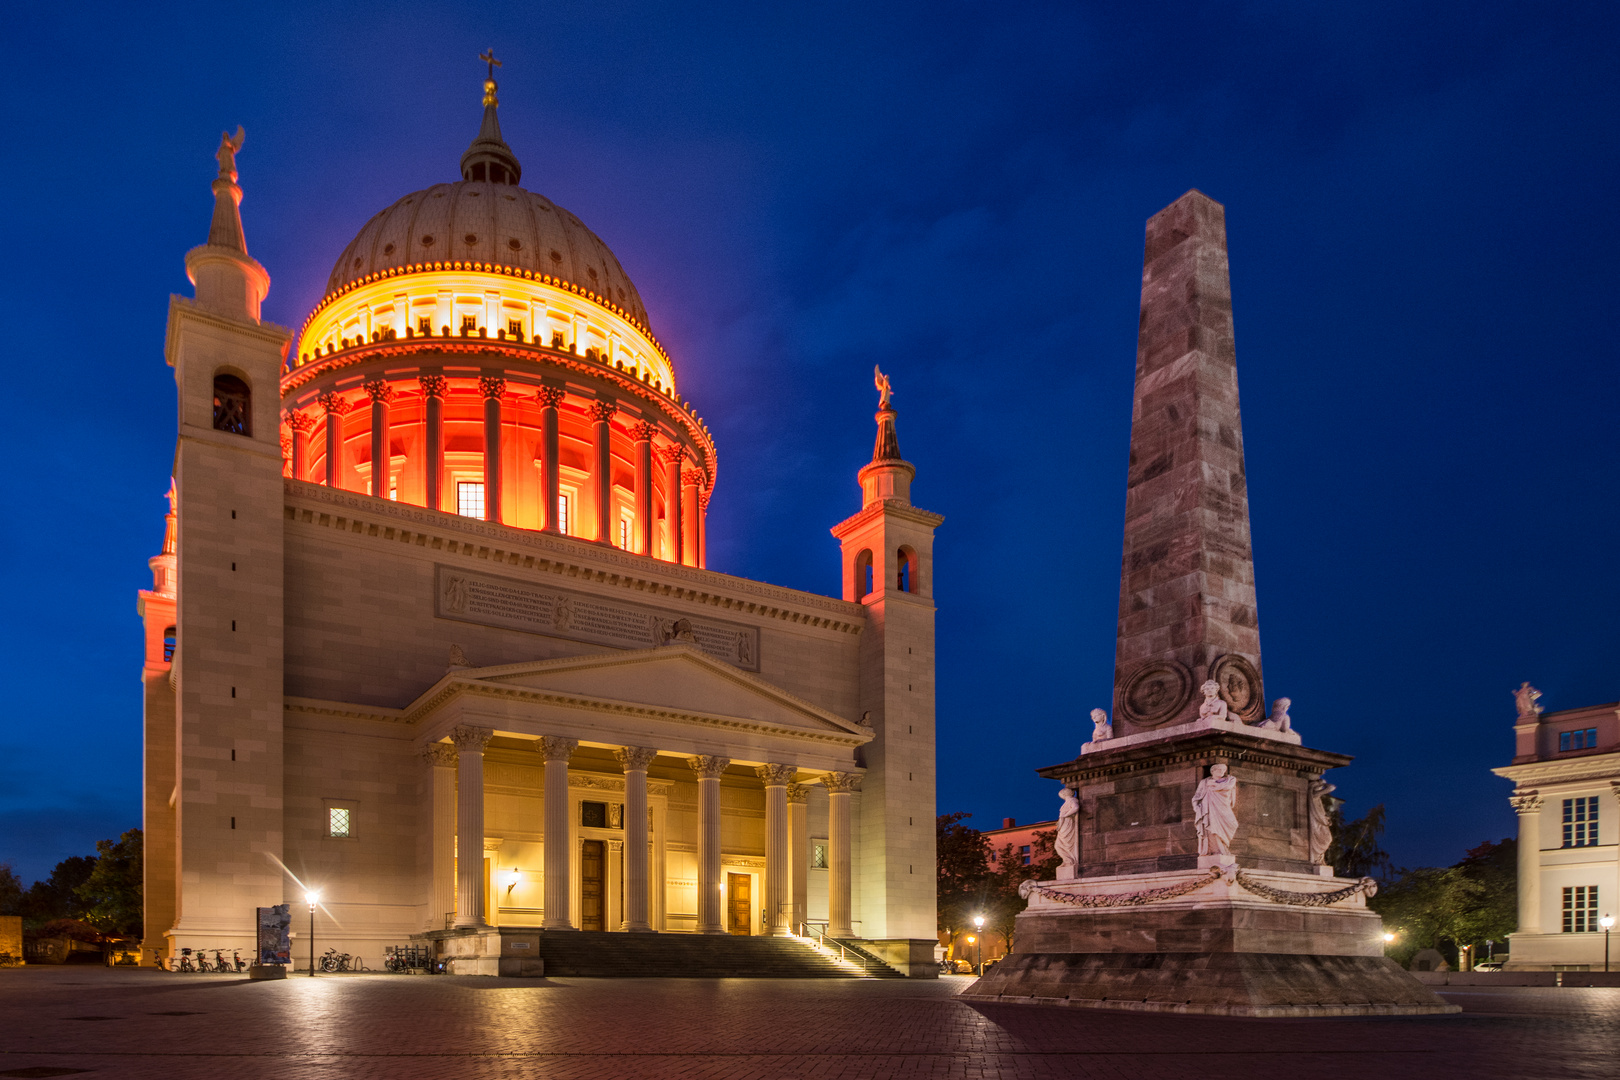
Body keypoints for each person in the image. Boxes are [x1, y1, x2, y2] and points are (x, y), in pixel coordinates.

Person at [1192, 763, 1239, 856]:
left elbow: (1228, 787)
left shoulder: (1229, 781)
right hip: (1209, 808)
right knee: (1212, 827)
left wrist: (1215, 785)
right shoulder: (1205, 782)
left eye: (1223, 770)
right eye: (1219, 770)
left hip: (1223, 807)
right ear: (1212, 771)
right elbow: (1197, 796)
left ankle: (1223, 848)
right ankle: (1217, 850)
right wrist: (1196, 806)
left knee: (1233, 824)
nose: (1222, 772)